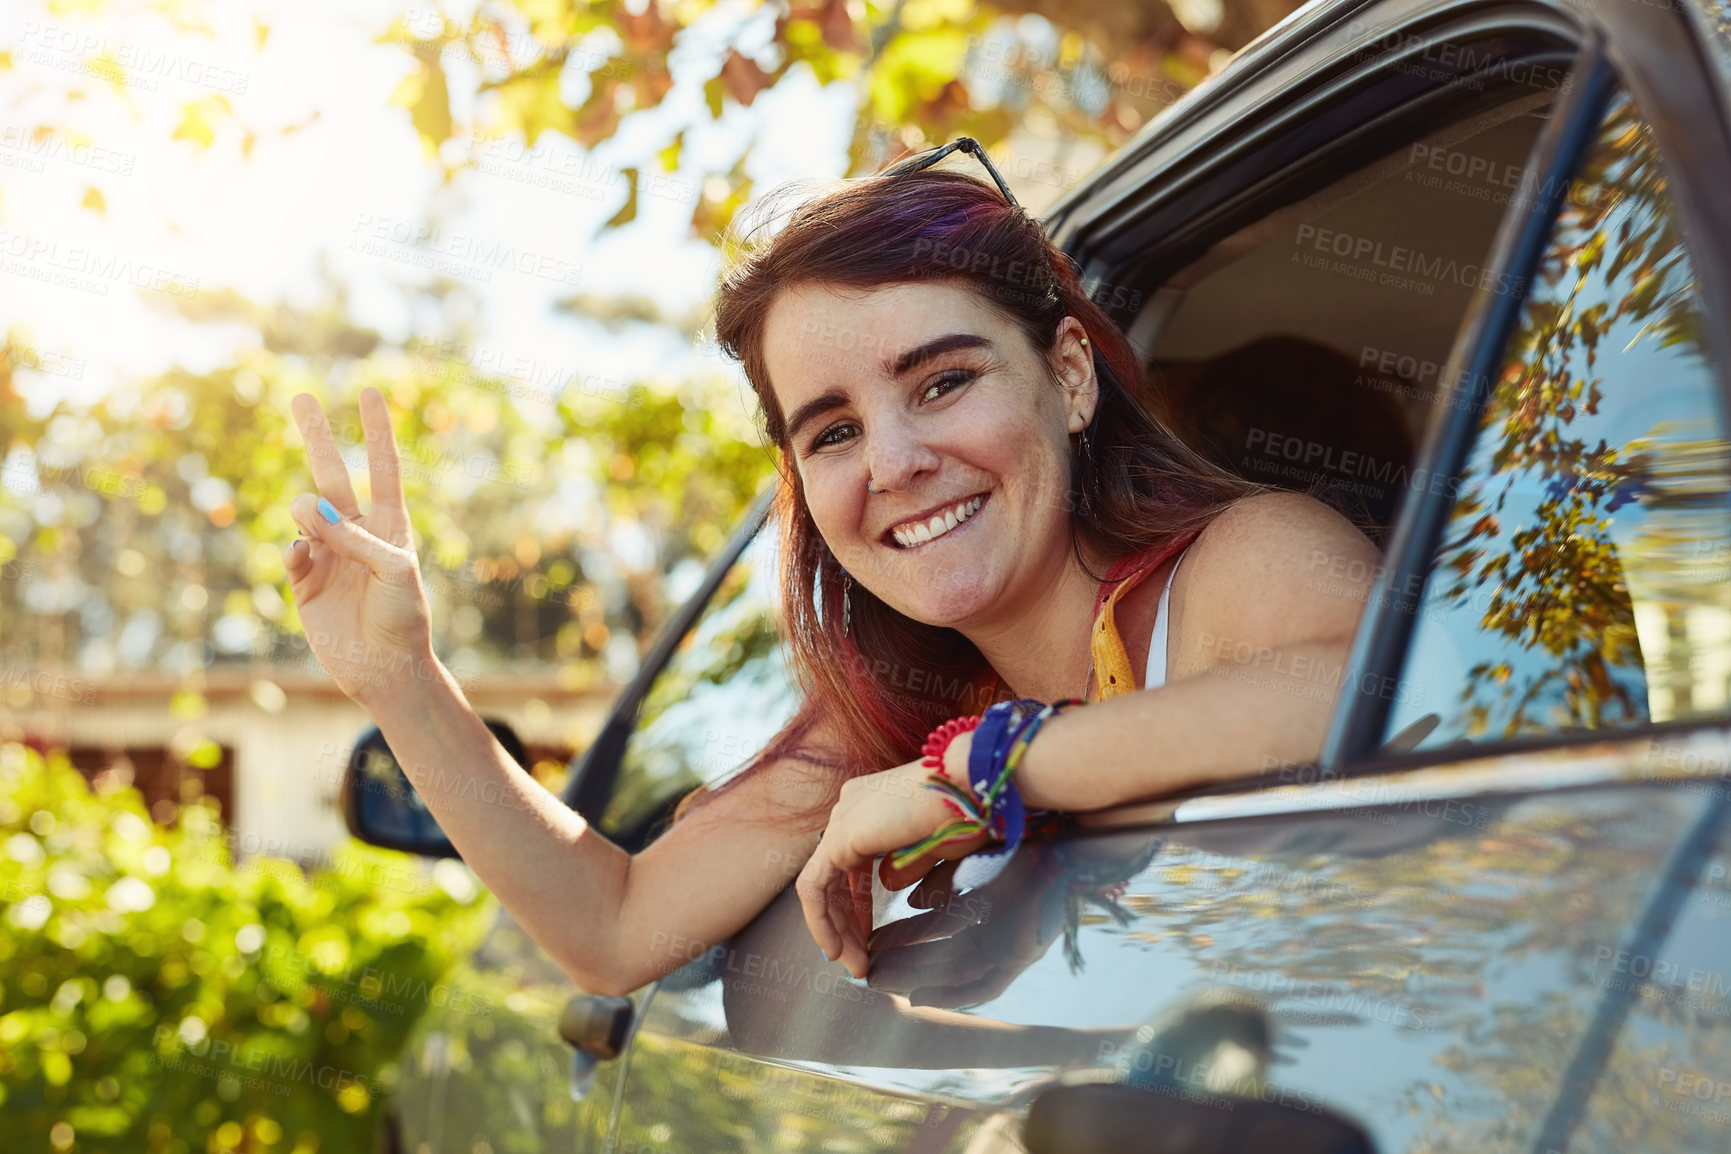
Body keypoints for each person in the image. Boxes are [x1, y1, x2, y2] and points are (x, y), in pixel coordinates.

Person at [283, 142, 1381, 998]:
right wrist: (405, 681)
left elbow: (1366, 691)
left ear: (1071, 377)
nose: (896, 463)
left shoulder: (1247, 557)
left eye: (943, 381)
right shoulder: (874, 724)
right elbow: (613, 928)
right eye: (832, 431)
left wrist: (974, 773)